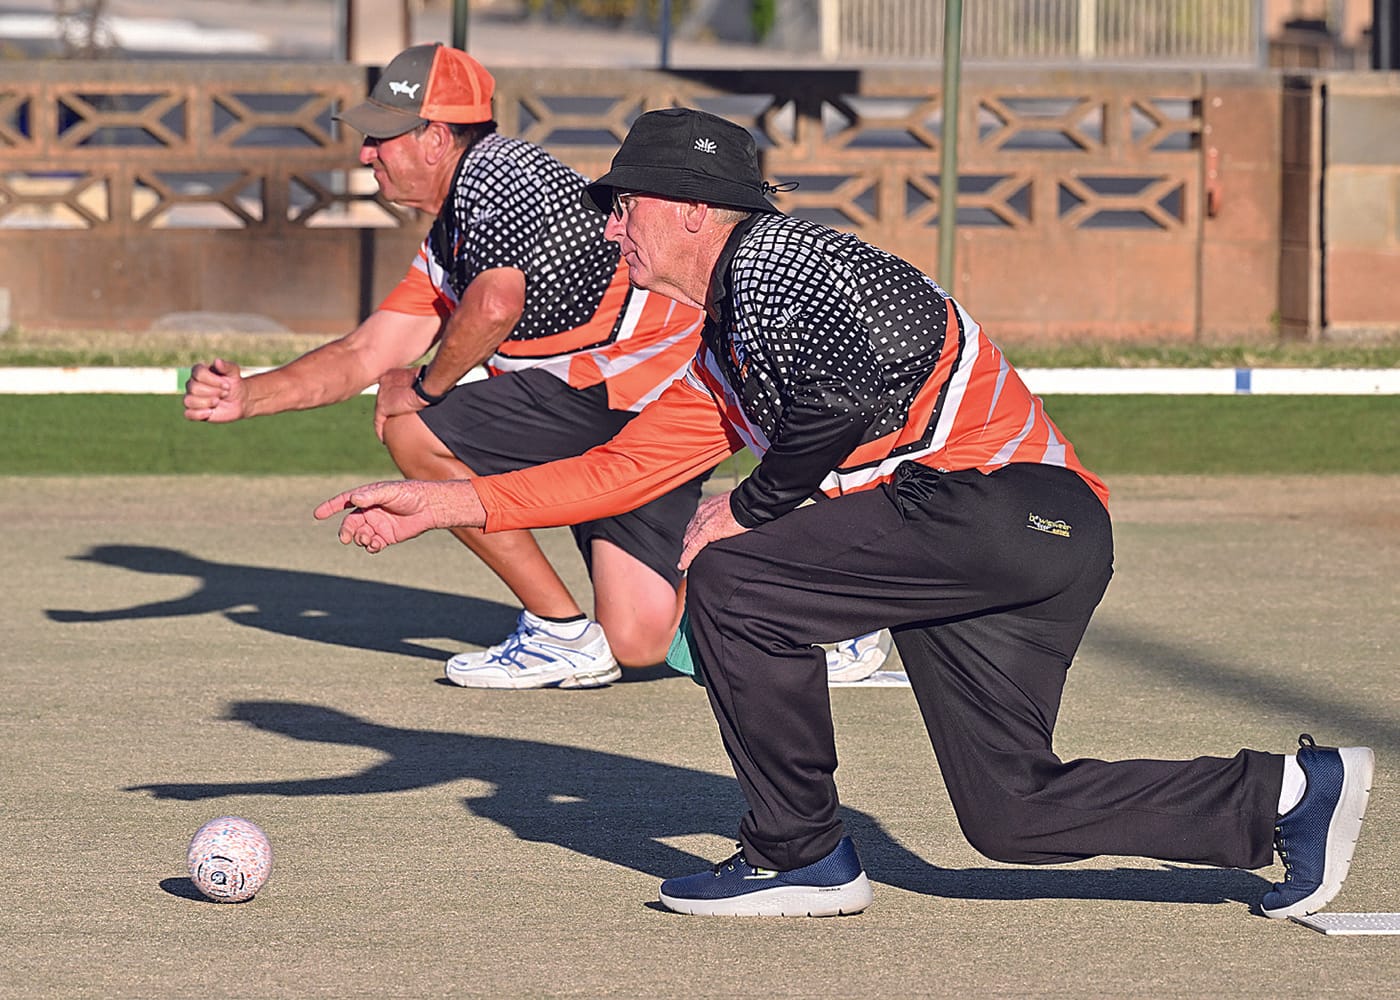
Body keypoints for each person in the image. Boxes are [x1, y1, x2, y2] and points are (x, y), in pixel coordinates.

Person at [312, 108, 1374, 918]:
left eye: (621, 207)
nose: (607, 228)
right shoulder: (724, 345)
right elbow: (621, 469)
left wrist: (751, 505)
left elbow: (852, 390)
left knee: (729, 578)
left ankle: (796, 852)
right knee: (1009, 812)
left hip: (1011, 514)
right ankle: (1284, 795)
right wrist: (446, 498)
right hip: (1001, 545)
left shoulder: (784, 258)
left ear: (687, 209)